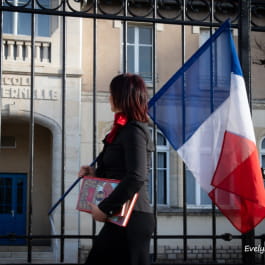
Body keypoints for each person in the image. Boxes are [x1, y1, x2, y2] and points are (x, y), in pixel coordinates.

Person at [79, 73, 155, 265]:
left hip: (132, 219)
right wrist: (94, 174)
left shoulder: (134, 131)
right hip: (119, 218)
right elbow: (118, 174)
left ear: (123, 96)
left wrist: (105, 209)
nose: (109, 97)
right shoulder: (123, 130)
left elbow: (137, 176)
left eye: (112, 93)